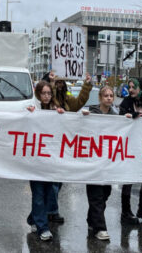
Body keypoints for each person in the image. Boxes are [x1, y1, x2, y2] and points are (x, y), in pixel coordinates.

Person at [48, 73, 93, 223]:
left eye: (62, 82)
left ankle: (49, 209)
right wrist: (52, 83)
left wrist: (86, 85)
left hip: (63, 144)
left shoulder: (66, 97)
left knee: (58, 181)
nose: (60, 84)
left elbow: (79, 102)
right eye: (57, 82)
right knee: (53, 182)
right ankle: (51, 211)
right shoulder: (48, 97)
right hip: (50, 144)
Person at [26, 80, 65, 241]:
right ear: (39, 94)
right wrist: (29, 114)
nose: (47, 96)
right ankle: (42, 228)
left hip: (51, 161)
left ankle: (32, 218)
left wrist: (63, 116)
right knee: (39, 194)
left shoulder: (56, 110)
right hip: (36, 161)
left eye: (49, 93)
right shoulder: (31, 109)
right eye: (44, 93)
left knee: (51, 193)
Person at [80, 86, 117, 241]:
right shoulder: (91, 112)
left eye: (111, 96)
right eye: (106, 96)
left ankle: (92, 219)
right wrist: (84, 119)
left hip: (108, 163)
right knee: (96, 194)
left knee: (105, 193)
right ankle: (100, 228)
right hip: (93, 162)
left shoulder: (116, 116)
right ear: (101, 98)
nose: (109, 98)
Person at [118, 77, 142, 225]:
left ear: (141, 88)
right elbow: (117, 123)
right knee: (128, 179)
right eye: (130, 87)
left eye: (134, 86)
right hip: (129, 149)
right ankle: (125, 211)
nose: (131, 89)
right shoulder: (125, 103)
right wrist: (127, 118)